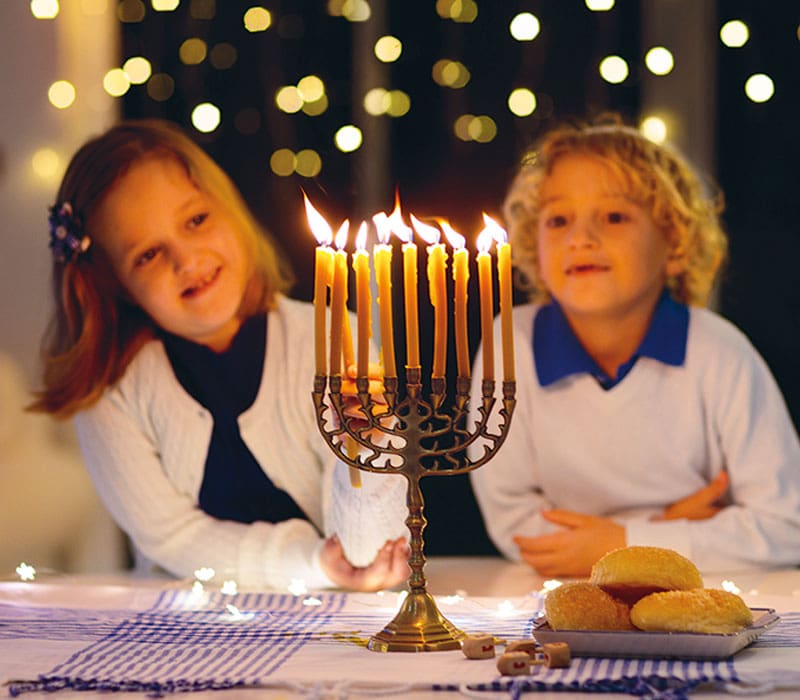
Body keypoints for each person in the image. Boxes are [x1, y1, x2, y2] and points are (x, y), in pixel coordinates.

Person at [30, 118, 408, 591]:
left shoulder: (332, 341)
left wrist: (368, 447)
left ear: (229, 210)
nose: (187, 260)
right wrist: (311, 563)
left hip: (340, 624)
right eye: (147, 254)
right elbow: (170, 535)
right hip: (183, 629)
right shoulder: (112, 389)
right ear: (115, 284)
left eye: (196, 220)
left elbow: (367, 551)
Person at [469, 115, 800, 577]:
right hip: (565, 601)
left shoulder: (719, 352)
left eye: (614, 216)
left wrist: (621, 541)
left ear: (674, 242)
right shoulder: (512, 346)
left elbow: (786, 525)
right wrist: (662, 528)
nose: (581, 238)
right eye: (559, 219)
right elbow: (518, 528)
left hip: (699, 594)